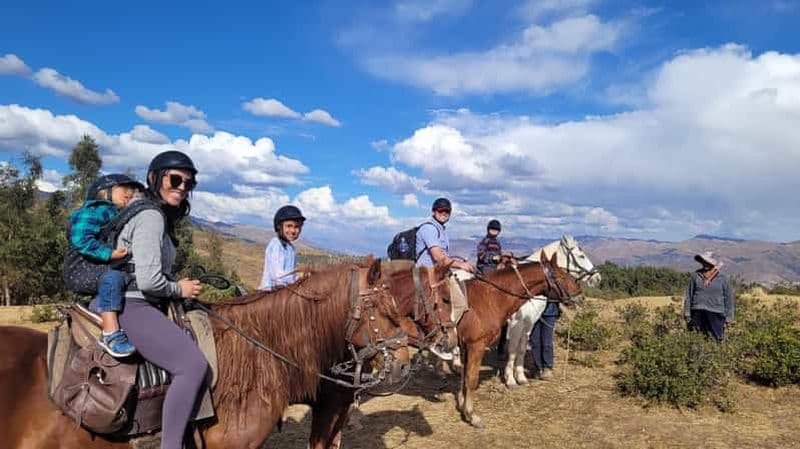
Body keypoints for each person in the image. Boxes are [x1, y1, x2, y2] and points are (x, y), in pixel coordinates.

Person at [92, 150, 207, 449]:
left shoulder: (148, 213)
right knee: (192, 365)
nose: (182, 187)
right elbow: (148, 280)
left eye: (189, 183)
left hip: (135, 299)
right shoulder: (151, 216)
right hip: (132, 303)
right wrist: (178, 289)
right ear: (154, 178)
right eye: (176, 179)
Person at [69, 174, 143, 357]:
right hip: (81, 269)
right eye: (124, 188)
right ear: (105, 192)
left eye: (132, 190)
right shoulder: (96, 211)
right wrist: (108, 253)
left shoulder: (117, 214)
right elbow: (81, 238)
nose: (130, 193)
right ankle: (110, 333)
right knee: (113, 277)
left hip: (96, 267)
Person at [684, 251, 734, 342]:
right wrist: (687, 313)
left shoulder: (723, 278)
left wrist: (729, 317)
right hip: (697, 312)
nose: (705, 264)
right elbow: (689, 294)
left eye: (708, 262)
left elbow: (729, 298)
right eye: (704, 261)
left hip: (716, 313)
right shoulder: (695, 276)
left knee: (717, 340)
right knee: (697, 339)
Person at [258, 205, 305, 290]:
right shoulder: (276, 244)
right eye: (289, 226)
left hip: (285, 293)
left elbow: (292, 275)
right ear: (279, 226)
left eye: (296, 227)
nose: (293, 231)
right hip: (269, 294)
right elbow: (277, 277)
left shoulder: (291, 249)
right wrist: (296, 282)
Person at [529, 300, 560, 380]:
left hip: (549, 313)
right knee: (534, 341)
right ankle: (538, 367)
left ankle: (547, 368)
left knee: (547, 341)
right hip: (534, 312)